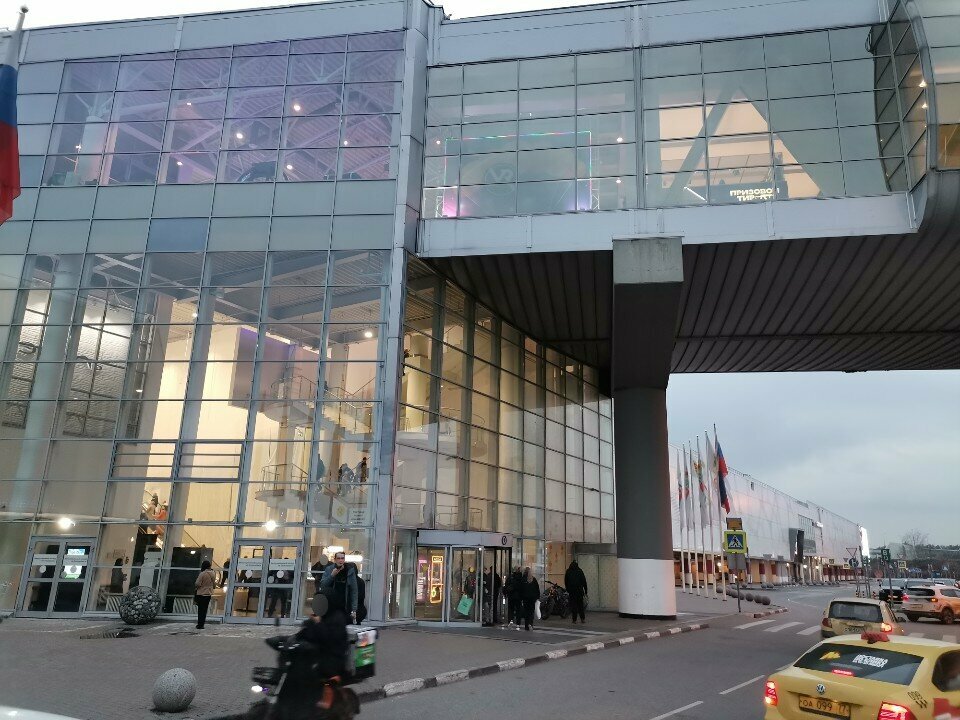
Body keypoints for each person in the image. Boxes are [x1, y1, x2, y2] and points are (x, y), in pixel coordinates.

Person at [319, 551, 358, 624]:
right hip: (331, 604)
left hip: (344, 604)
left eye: (342, 558)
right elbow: (322, 585)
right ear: (335, 560)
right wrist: (332, 575)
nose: (340, 560)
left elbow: (354, 590)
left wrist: (354, 609)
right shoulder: (329, 569)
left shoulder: (349, 570)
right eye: (338, 558)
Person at [564, 560, 589, 624]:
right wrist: (586, 591)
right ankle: (582, 619)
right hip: (579, 591)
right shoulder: (580, 571)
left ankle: (574, 620)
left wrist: (568, 589)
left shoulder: (568, 571)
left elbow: (566, 581)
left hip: (572, 592)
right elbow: (584, 581)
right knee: (580, 605)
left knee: (573, 606)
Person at [194, 560, 216, 630]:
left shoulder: (202, 574)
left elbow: (197, 583)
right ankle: (202, 624)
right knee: (205, 609)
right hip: (208, 594)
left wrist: (197, 587)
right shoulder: (213, 573)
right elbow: (214, 584)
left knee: (200, 610)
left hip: (201, 593)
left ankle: (200, 624)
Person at [520, 567, 540, 631]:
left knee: (526, 612)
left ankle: (526, 625)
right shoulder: (533, 579)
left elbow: (521, 590)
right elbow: (537, 589)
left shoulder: (523, 579)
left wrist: (521, 598)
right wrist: (537, 597)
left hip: (525, 599)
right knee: (531, 612)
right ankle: (530, 624)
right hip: (532, 599)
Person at [505, 566, 523, 630]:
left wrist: (506, 594)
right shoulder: (521, 578)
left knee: (511, 609)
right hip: (519, 597)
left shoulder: (510, 577)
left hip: (511, 596)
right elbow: (523, 588)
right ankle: (518, 623)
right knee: (518, 610)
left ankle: (510, 621)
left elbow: (506, 586)